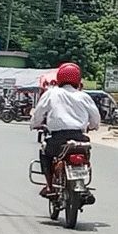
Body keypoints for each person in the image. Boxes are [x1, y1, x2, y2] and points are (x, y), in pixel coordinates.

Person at [30, 63, 101, 197]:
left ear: (59, 77)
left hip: (58, 139)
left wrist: (34, 124)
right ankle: (82, 183)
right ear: (78, 79)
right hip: (79, 138)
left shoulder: (51, 93)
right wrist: (92, 126)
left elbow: (39, 113)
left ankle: (50, 186)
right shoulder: (84, 96)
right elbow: (96, 118)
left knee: (45, 153)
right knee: (85, 155)